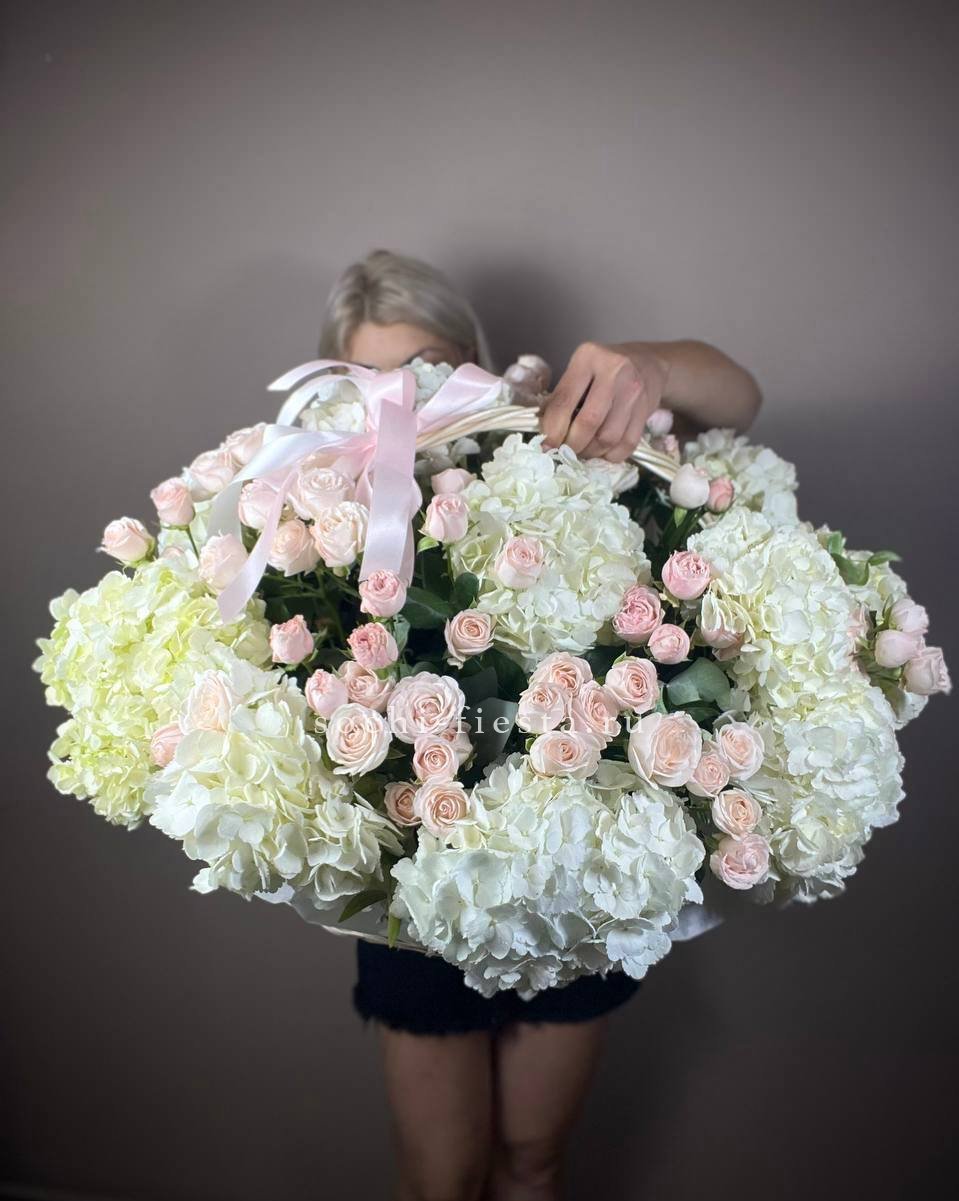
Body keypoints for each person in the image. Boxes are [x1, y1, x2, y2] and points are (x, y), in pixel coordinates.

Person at [318, 249, 762, 1201]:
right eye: (377, 378)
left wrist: (648, 365)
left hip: (570, 870)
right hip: (416, 887)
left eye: (428, 366)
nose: (407, 397)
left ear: (473, 360)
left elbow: (740, 398)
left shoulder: (553, 436)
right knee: (440, 1181)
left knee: (532, 1163)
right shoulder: (318, 495)